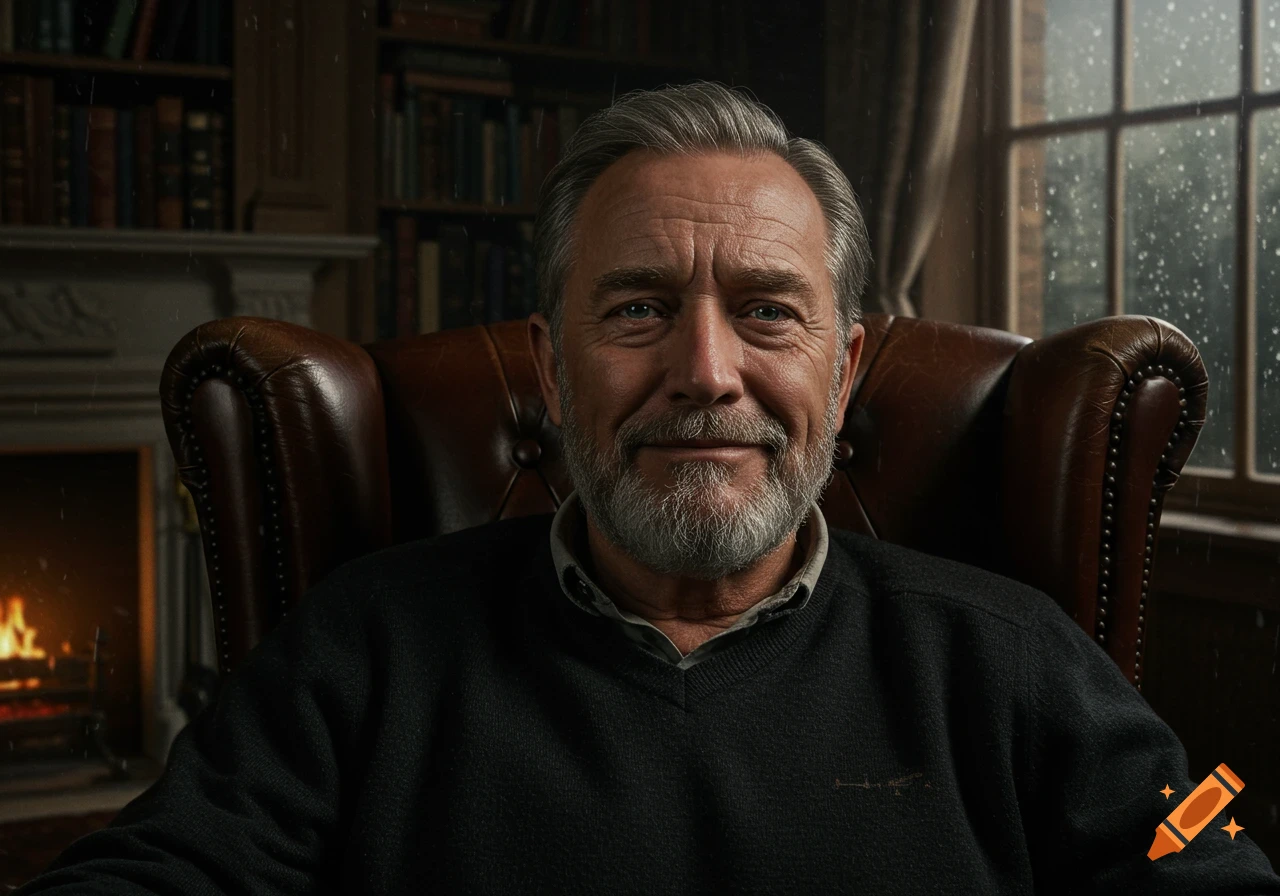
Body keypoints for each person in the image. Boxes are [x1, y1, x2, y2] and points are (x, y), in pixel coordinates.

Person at [17, 81, 1280, 895]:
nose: (704, 371)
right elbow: (152, 873)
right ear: (554, 374)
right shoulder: (363, 646)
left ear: (839, 376)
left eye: (767, 312)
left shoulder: (1008, 657)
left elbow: (1200, 851)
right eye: (637, 308)